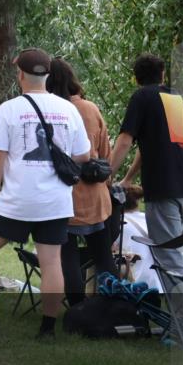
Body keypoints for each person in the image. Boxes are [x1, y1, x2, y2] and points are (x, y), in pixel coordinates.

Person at [0, 48, 90, 339]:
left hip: (18, 200)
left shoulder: (10, 109)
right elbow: (83, 155)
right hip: (56, 200)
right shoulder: (68, 109)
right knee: (51, 260)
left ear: (21, 76)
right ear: (48, 75)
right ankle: (47, 329)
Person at [110, 53, 183, 280]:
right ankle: (181, 312)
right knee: (169, 250)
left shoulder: (142, 97)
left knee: (168, 254)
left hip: (162, 187)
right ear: (162, 74)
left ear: (137, 79)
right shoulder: (174, 98)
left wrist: (106, 175)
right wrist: (127, 178)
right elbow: (150, 147)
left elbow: (126, 140)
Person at [47, 58, 115, 305]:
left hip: (63, 193)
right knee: (102, 254)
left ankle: (76, 307)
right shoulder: (90, 108)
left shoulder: (50, 111)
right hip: (95, 195)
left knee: (68, 256)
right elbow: (105, 153)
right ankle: (111, 303)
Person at [111, 185, 163, 291]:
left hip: (136, 283)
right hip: (162, 281)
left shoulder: (117, 224)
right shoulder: (149, 219)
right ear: (137, 201)